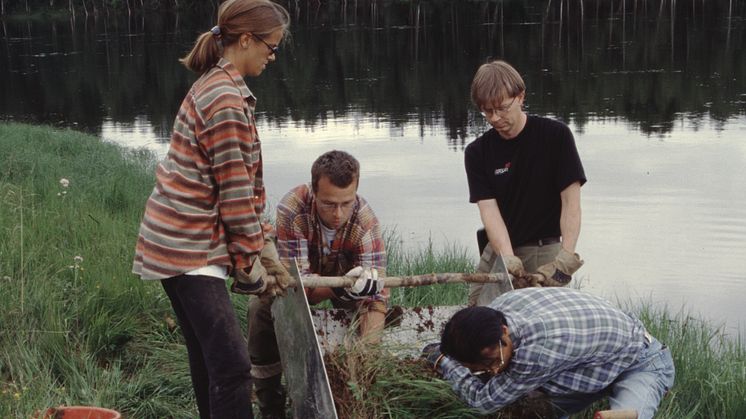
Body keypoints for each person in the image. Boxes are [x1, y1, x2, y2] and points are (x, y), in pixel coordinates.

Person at [132, 1, 290, 417]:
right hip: (189, 248)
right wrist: (248, 262)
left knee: (209, 359)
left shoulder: (219, 84)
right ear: (245, 39)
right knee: (235, 368)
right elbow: (234, 193)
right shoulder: (224, 99)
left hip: (176, 241)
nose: (272, 56)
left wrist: (265, 242)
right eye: (271, 47)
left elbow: (242, 183)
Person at [247, 150, 387, 418]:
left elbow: (376, 300)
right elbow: (299, 290)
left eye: (346, 203)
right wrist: (338, 287)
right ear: (314, 191)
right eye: (328, 204)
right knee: (259, 310)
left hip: (347, 293)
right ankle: (270, 404)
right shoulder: (292, 208)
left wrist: (366, 358)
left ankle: (354, 398)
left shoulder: (366, 222)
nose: (338, 214)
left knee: (369, 320)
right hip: (304, 286)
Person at [423, 287, 675, 419]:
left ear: (504, 331)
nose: (494, 370)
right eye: (480, 367)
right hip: (588, 365)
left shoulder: (537, 352)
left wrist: (442, 361)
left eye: (493, 361)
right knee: (533, 409)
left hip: (641, 362)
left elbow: (482, 402)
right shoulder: (498, 308)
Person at [464, 60, 587, 306]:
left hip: (547, 249)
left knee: (542, 320)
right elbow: (489, 212)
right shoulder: (477, 152)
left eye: (501, 108)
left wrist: (565, 257)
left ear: (520, 97)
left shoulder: (556, 136)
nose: (495, 118)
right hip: (502, 249)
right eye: (487, 111)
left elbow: (570, 204)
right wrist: (507, 258)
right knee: (478, 314)